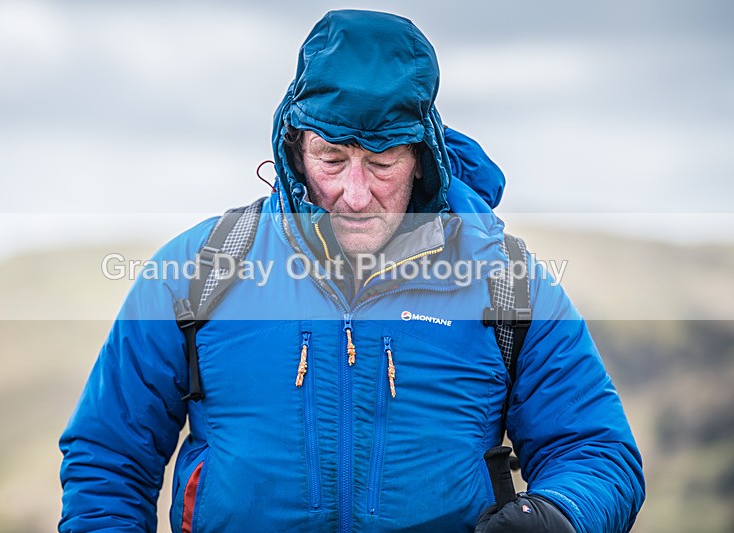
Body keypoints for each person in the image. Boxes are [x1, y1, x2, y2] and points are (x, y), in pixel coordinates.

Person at [59, 9, 645, 533]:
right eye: (331, 159)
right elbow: (107, 458)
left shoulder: (507, 279)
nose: (355, 194)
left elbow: (597, 452)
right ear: (294, 151)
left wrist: (560, 517)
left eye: (383, 162)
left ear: (423, 159)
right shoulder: (198, 271)